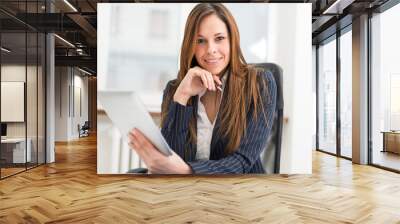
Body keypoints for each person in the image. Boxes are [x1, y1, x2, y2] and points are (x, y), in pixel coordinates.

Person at [128, 3, 277, 174]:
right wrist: (182, 96)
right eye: (200, 41)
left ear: (232, 40)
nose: (211, 50)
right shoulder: (175, 89)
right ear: (190, 45)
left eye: (219, 38)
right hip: (187, 191)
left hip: (240, 191)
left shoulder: (259, 83)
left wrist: (188, 171)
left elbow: (242, 162)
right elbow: (171, 158)